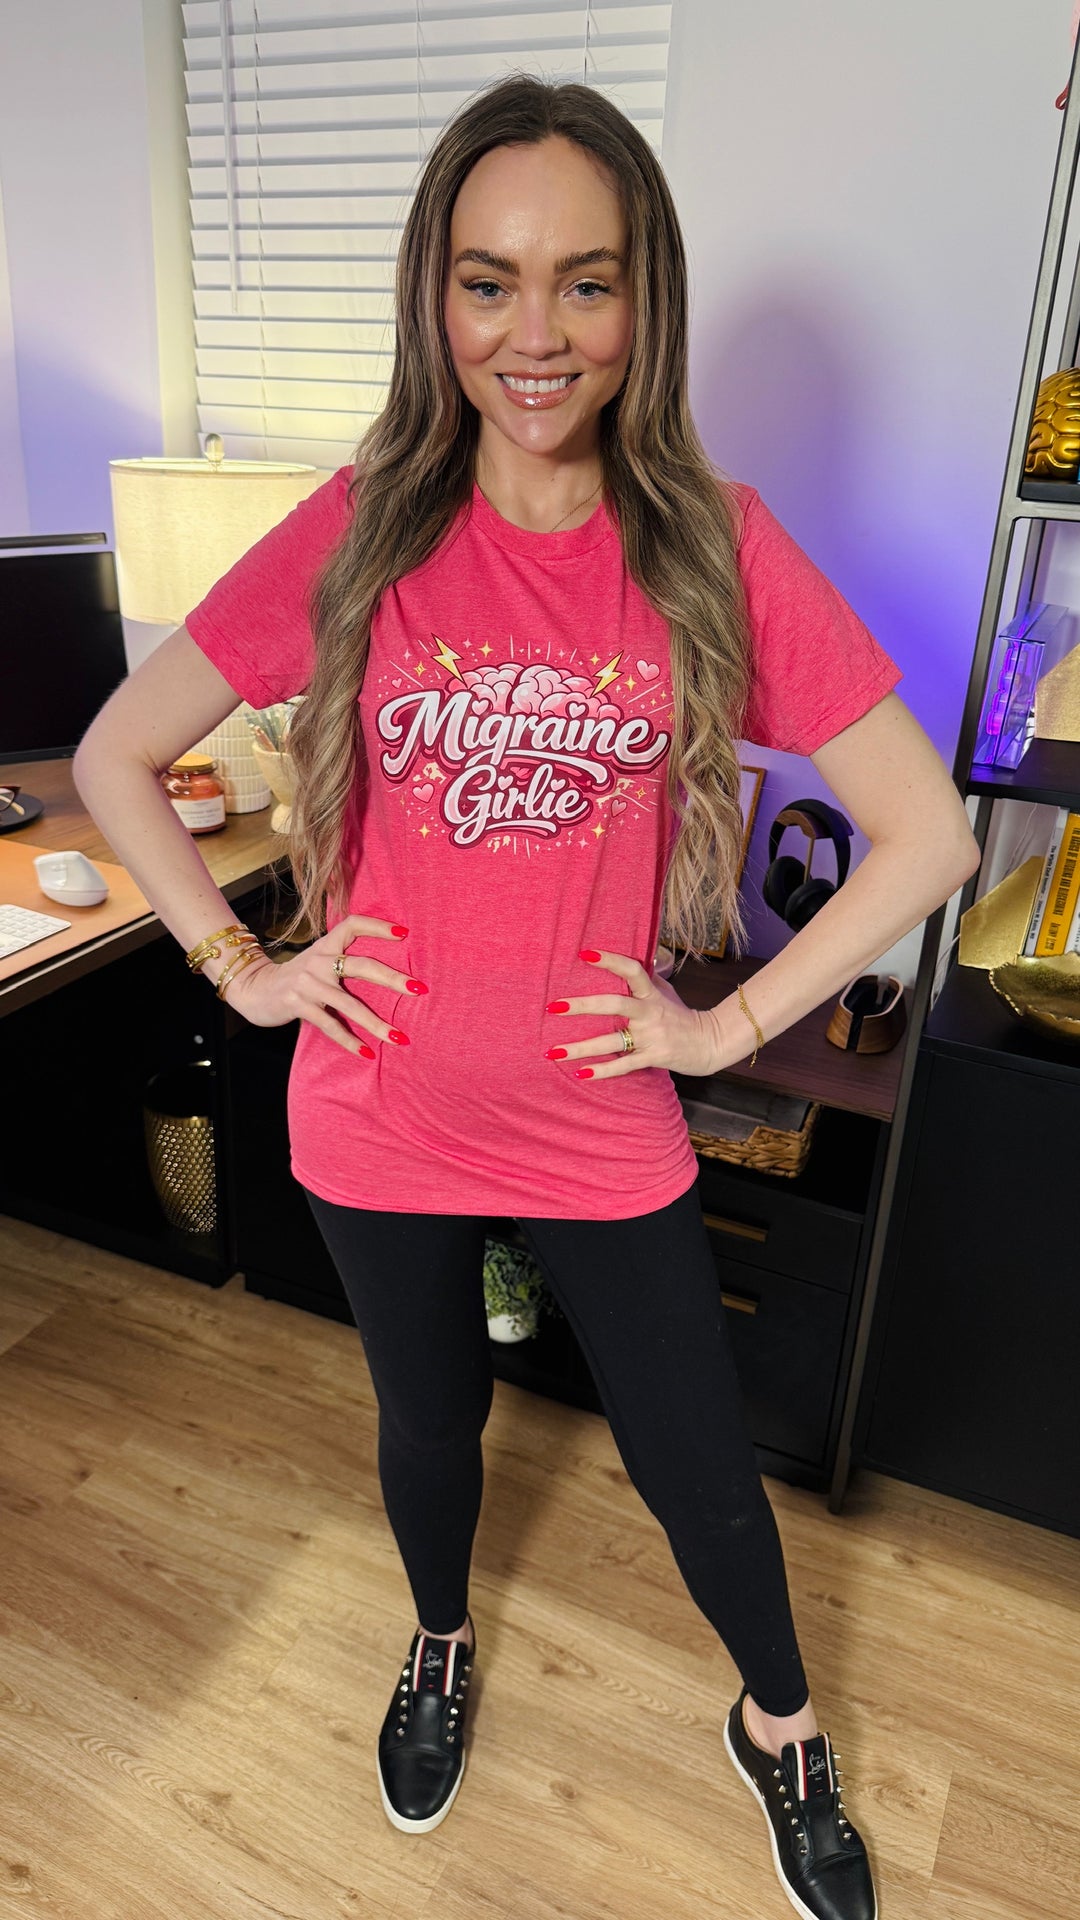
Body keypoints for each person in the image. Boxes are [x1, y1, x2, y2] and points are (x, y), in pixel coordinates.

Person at [73, 72, 978, 1920]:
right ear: (436, 298)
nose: (535, 333)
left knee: (700, 1468)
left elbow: (925, 836)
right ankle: (436, 1642)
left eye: (587, 281)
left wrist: (724, 1033)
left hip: (594, 1119)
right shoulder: (363, 525)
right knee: (428, 1431)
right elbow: (115, 758)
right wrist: (247, 972)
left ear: (647, 300)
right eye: (489, 282)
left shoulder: (708, 540)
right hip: (377, 1109)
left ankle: (781, 1728)